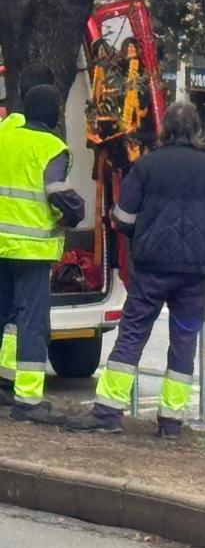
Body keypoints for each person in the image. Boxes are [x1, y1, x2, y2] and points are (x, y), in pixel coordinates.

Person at [67, 100, 205, 435]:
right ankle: (171, 422)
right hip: (196, 273)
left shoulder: (146, 166)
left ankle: (108, 414)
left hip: (151, 269)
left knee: (132, 335)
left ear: (165, 130)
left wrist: (143, 233)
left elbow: (122, 217)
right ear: (197, 132)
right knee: (184, 341)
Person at [0, 83, 87, 424]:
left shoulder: (5, 136)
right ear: (53, 115)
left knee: (5, 315)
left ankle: (6, 383)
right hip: (31, 249)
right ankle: (27, 401)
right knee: (31, 322)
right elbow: (58, 194)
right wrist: (75, 214)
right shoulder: (52, 147)